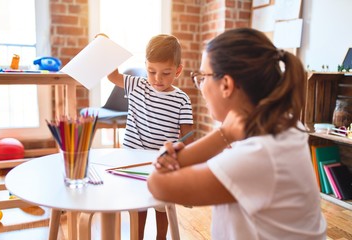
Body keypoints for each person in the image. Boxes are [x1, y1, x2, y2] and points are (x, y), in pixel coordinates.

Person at [147, 28, 327, 239]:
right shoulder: (285, 126)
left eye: (202, 77)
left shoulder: (259, 154)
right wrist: (225, 135)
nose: (200, 86)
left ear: (226, 85)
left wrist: (223, 134)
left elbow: (157, 184)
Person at [108, 34, 194, 240]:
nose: (157, 79)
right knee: (139, 205)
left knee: (162, 205)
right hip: (132, 157)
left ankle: (161, 238)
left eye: (166, 73)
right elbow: (112, 76)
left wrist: (188, 163)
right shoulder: (137, 85)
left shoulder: (182, 99)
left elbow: (187, 135)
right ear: (145, 65)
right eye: (151, 71)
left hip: (162, 162)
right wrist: (106, 45)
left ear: (178, 70)